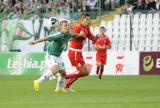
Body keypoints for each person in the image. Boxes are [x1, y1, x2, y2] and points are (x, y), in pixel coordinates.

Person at [29, 17, 84, 92]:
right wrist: (35, 42)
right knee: (55, 70)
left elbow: (75, 35)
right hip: (51, 55)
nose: (67, 27)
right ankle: (37, 81)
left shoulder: (68, 34)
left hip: (58, 56)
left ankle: (59, 88)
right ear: (60, 27)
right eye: (65, 26)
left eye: (67, 25)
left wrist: (81, 35)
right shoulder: (58, 34)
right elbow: (47, 38)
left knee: (63, 74)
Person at [65, 13, 97, 90]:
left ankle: (66, 85)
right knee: (84, 72)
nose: (89, 21)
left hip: (78, 52)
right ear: (82, 20)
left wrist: (97, 37)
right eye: (87, 19)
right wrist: (80, 35)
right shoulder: (77, 26)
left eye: (89, 19)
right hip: (74, 52)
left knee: (81, 72)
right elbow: (71, 37)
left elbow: (92, 39)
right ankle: (64, 77)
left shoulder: (87, 28)